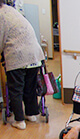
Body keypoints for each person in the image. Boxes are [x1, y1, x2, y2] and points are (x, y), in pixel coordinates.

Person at [0, 0, 45, 130]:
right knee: (29, 86)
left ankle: (19, 120)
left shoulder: (1, 14)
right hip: (34, 55)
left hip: (18, 56)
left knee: (16, 89)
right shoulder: (11, 11)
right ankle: (31, 113)